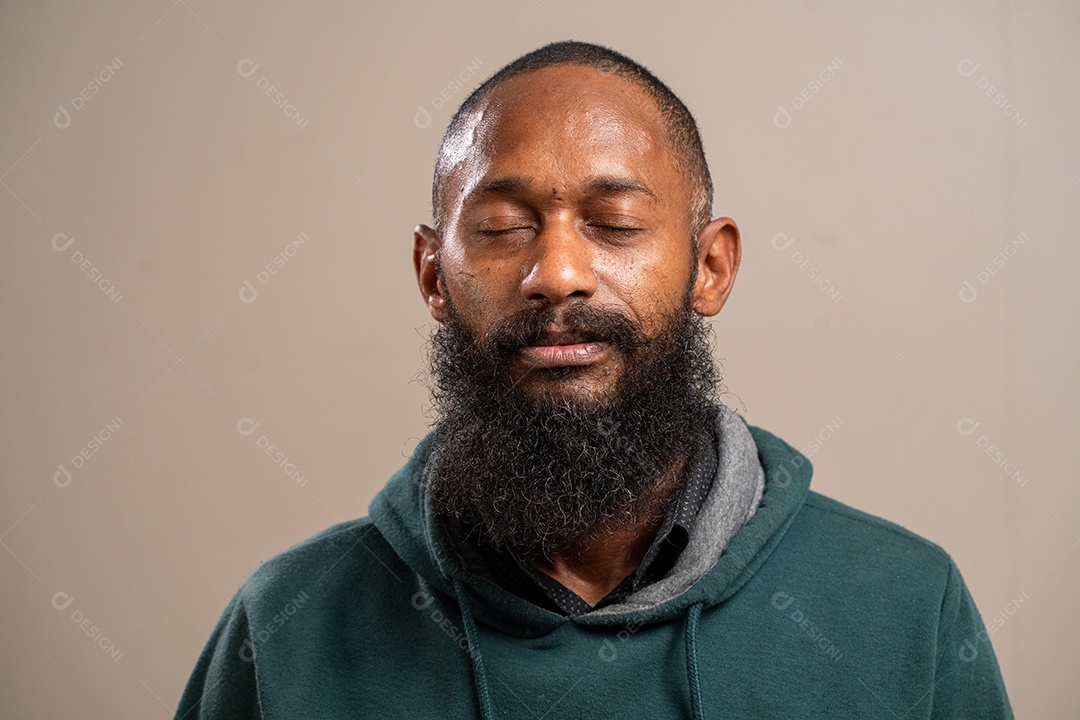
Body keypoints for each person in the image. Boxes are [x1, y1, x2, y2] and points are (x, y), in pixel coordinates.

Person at [175, 40, 1013, 719]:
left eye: (613, 224)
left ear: (711, 267)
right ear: (433, 275)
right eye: (502, 227)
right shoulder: (287, 629)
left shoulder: (904, 608)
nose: (558, 273)